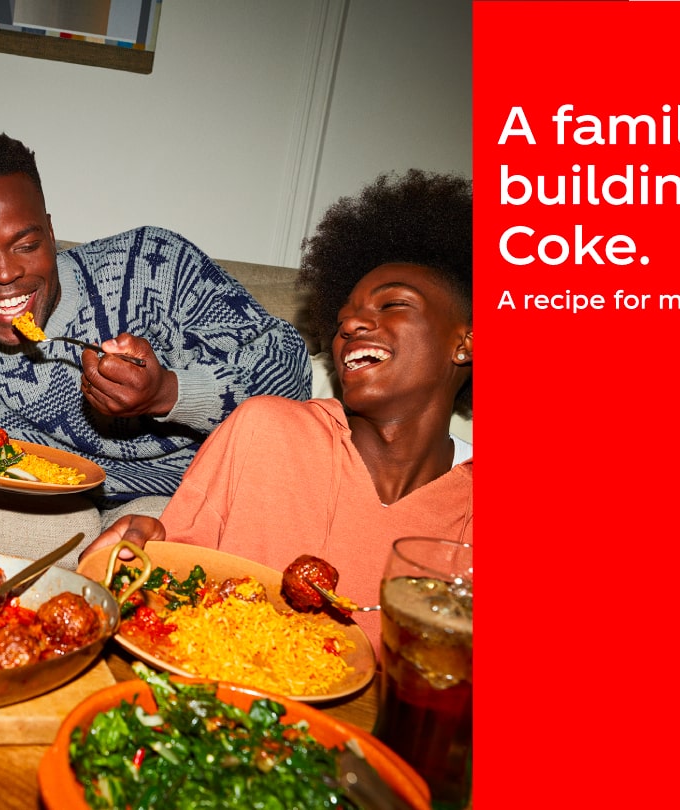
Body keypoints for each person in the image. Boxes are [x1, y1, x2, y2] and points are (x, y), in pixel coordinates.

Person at [84, 169, 473, 650]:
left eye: (393, 304)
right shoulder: (263, 428)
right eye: (343, 316)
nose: (351, 322)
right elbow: (178, 569)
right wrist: (143, 542)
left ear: (465, 343)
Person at [0, 132, 312, 509]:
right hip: (51, 518)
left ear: (50, 231)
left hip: (195, 500)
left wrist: (167, 392)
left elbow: (290, 376)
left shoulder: (152, 264)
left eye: (26, 245)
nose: (5, 274)